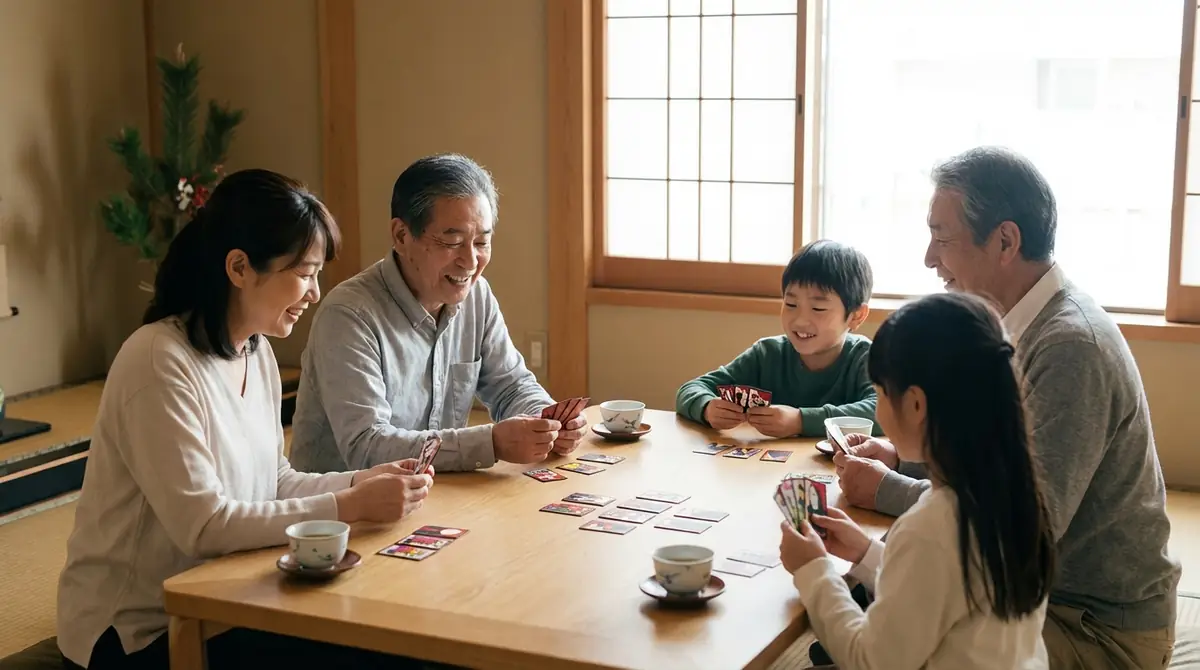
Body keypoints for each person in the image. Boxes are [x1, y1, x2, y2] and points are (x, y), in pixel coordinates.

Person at [56, 170, 434, 669]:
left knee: (395, 629)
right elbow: (205, 525)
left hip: (225, 597)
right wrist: (350, 504)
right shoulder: (157, 359)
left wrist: (364, 480)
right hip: (138, 629)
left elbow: (274, 481)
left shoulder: (255, 353)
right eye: (304, 273)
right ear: (239, 267)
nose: (315, 292)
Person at [835, 146, 1181, 669]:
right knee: (882, 605)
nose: (930, 258)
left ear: (1004, 240)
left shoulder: (1069, 347)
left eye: (942, 239)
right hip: (1037, 595)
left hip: (1093, 626)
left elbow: (1017, 525)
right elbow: (999, 455)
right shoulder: (1019, 324)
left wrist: (887, 490)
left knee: (896, 637)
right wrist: (903, 456)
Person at [780, 292, 1055, 669]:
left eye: (879, 393)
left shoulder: (932, 527)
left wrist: (814, 570)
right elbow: (940, 592)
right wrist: (867, 553)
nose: (878, 407)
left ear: (914, 404)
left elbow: (870, 660)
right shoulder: (1010, 496)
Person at [288, 153, 585, 475]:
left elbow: (510, 385)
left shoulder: (477, 295)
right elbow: (366, 445)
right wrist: (491, 443)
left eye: (482, 242)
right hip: (343, 511)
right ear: (402, 236)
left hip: (436, 495)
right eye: (453, 241)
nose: (470, 262)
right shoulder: (349, 315)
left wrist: (547, 422)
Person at [675, 240, 880, 438]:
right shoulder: (767, 354)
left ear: (856, 315)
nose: (800, 320)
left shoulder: (865, 358)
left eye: (818, 308)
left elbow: (885, 412)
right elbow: (690, 389)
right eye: (791, 304)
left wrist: (800, 420)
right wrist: (707, 408)